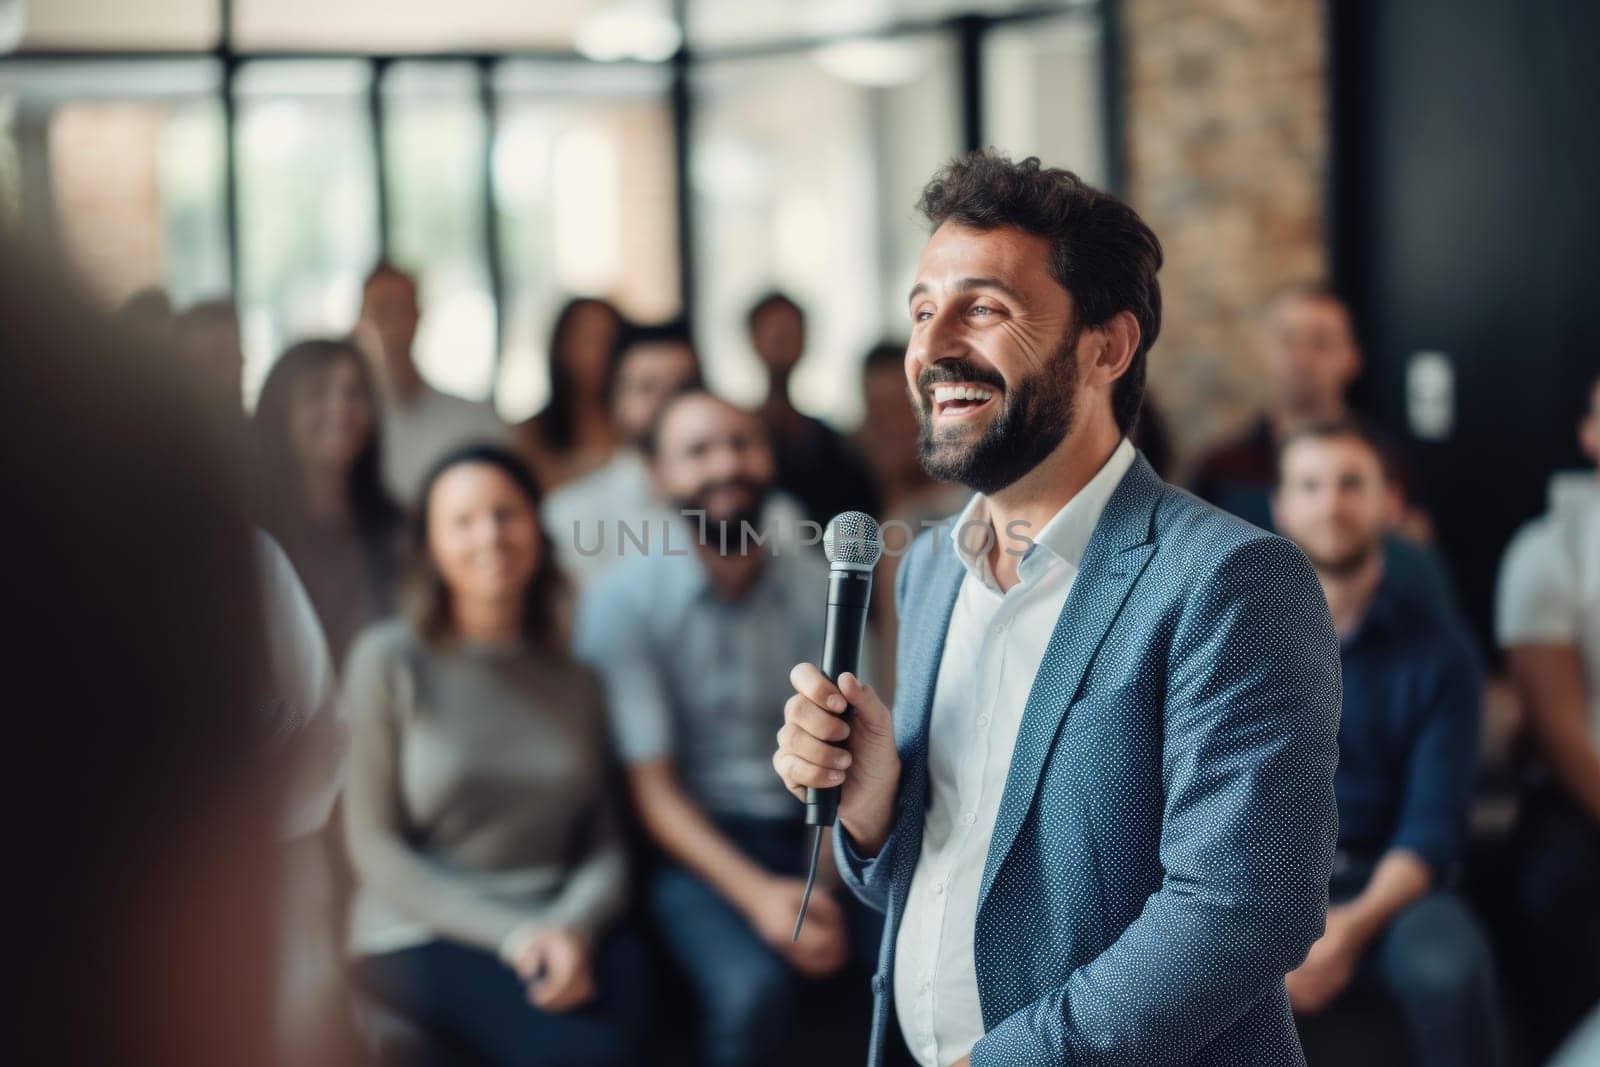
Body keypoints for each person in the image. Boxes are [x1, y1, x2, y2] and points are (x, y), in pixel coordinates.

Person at [772, 151, 1342, 1066]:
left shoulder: (1232, 581)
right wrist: (876, 814)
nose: (934, 346)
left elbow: (1242, 913)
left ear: (1106, 348)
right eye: (923, 309)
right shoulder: (929, 571)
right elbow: (959, 888)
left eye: (984, 308)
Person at [575, 389, 873, 1067]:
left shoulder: (821, 581)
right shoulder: (621, 601)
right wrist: (767, 900)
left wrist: (816, 887)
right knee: (750, 992)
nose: (726, 464)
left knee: (901, 958)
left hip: (817, 826)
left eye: (743, 443)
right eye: (698, 450)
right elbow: (652, 789)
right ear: (656, 474)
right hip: (697, 846)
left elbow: (850, 748)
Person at [342, 445, 642, 1066]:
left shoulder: (578, 679)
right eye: (463, 520)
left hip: (560, 921)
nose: (490, 535)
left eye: (506, 514)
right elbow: (373, 847)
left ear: (537, 526)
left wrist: (569, 926)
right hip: (422, 929)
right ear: (428, 544)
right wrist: (516, 936)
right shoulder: (388, 661)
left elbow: (607, 845)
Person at [1271, 421, 1504, 1067]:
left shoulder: (1441, 650)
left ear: (1390, 503)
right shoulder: (1232, 637)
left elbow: (1432, 826)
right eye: (1311, 485)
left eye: (1352, 484)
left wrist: (1347, 928)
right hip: (1261, 883)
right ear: (1282, 506)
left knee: (1448, 969)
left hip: (1390, 883)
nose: (1331, 504)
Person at [1190, 282, 1456, 615]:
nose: (1301, 358)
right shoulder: (1221, 468)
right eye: (1287, 340)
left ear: (1352, 358)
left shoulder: (1387, 464)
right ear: (1264, 351)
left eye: (1320, 343)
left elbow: (1415, 568)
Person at [1496, 369, 1600, 1060]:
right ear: (1592, 433)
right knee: (1557, 884)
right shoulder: (1548, 551)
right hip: (1584, 790)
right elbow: (1561, 730)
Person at [254, 338, 405, 664]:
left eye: (355, 392)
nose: (341, 407)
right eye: (317, 392)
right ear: (280, 411)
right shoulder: (249, 538)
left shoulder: (400, 529)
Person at [541, 319, 703, 586]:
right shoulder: (568, 516)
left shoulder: (754, 513)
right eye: (647, 388)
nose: (669, 402)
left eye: (683, 387)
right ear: (614, 402)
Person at [355, 262, 510, 507]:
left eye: (402, 309)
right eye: (381, 311)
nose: (391, 326)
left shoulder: (474, 421)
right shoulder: (348, 428)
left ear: (419, 315)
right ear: (359, 321)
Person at [749, 290, 882, 526]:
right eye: (773, 333)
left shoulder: (835, 445)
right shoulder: (737, 439)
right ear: (753, 339)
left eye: (790, 332)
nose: (781, 341)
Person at [517, 297, 625, 492]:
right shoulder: (529, 435)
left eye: (607, 341)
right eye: (585, 340)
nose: (597, 353)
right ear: (560, 346)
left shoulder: (636, 428)